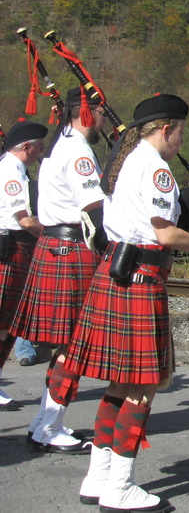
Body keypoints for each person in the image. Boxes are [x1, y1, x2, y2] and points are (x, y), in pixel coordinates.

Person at [63, 94, 189, 512]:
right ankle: (121, 487)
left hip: (117, 274)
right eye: (181, 132)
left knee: (120, 385)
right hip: (140, 281)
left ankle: (98, 478)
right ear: (167, 128)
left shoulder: (128, 159)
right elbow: (165, 236)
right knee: (142, 390)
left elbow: (144, 224)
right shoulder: (156, 168)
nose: (180, 141)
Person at [11, 88, 106, 453]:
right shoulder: (79, 152)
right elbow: (94, 209)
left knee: (67, 346)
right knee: (73, 346)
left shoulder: (57, 147)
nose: (101, 120)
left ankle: (43, 422)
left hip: (55, 247)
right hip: (71, 250)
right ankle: (49, 426)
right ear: (86, 111)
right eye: (99, 112)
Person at [0, 121, 47, 412]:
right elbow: (25, 220)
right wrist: (55, 237)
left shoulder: (11, 167)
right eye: (39, 147)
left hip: (13, 248)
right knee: (4, 325)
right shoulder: (11, 171)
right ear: (27, 146)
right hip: (10, 247)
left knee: (8, 325)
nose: (40, 153)